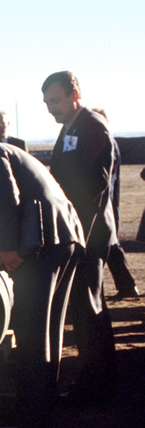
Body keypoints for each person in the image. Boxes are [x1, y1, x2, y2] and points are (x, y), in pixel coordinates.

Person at [0, 134, 84, 428]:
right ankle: (43, 405)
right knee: (48, 327)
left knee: (30, 328)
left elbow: (6, 198)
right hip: (63, 239)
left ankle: (31, 416)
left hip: (45, 245)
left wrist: (8, 248)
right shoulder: (13, 153)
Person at [42, 71, 118, 403]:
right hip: (78, 231)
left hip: (88, 234)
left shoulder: (91, 126)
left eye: (55, 100)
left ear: (75, 93)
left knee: (89, 306)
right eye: (46, 103)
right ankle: (94, 380)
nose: (50, 108)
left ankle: (97, 385)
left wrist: (77, 237)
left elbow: (96, 189)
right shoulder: (71, 126)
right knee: (84, 306)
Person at [90, 108, 139, 299]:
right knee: (111, 246)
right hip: (107, 207)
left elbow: (107, 180)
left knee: (104, 247)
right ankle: (127, 286)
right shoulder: (110, 144)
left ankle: (106, 290)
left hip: (105, 206)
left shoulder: (107, 145)